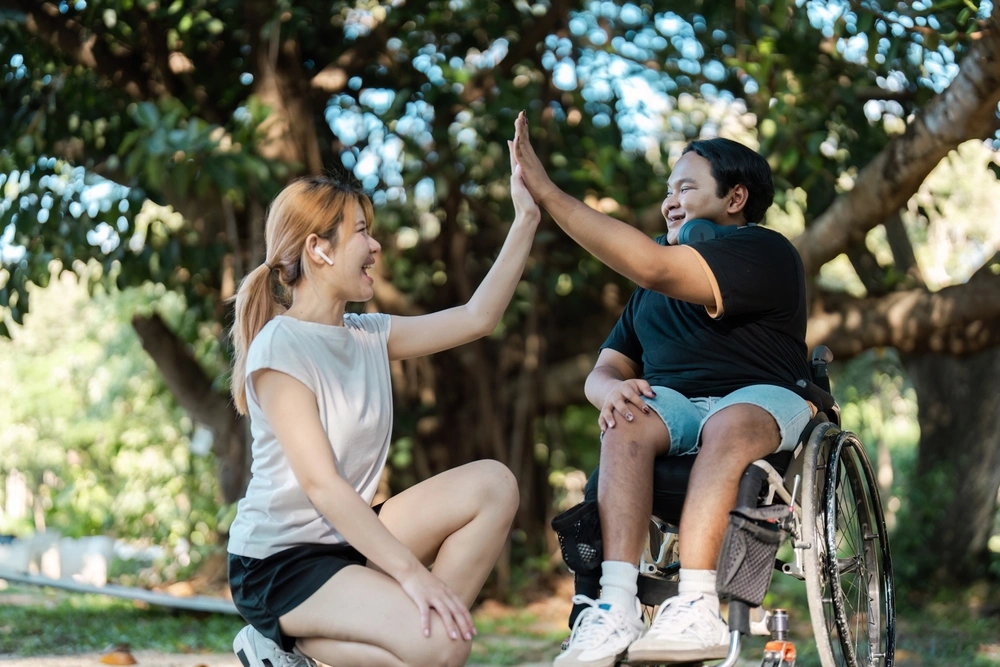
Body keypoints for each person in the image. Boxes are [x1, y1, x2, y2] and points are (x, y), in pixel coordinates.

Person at [512, 112, 816, 667]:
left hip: (762, 398)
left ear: (735, 197)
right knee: (625, 417)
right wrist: (607, 393)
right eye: (667, 191)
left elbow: (653, 266)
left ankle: (698, 604)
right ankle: (616, 604)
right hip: (676, 409)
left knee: (727, 422)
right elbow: (604, 369)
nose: (669, 202)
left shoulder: (763, 251)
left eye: (686, 188)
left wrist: (549, 194)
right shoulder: (652, 287)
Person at [226, 140, 538, 667]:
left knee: (493, 483)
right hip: (281, 564)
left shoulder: (368, 334)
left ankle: (403, 643)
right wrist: (412, 576)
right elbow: (321, 484)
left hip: (349, 541)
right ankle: (279, 641)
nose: (375, 248)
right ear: (319, 250)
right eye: (362, 233)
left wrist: (526, 217)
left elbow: (477, 318)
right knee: (445, 645)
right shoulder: (280, 346)